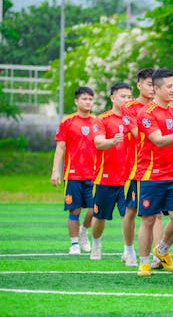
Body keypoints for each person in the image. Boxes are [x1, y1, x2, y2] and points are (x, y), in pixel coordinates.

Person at [135, 69, 173, 277]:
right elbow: (159, 140)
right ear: (156, 89)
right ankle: (144, 262)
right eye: (169, 87)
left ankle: (162, 250)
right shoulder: (146, 113)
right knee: (148, 219)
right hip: (150, 175)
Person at [51, 86, 98, 255]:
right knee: (75, 209)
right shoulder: (67, 121)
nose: (88, 102)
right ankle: (74, 244)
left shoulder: (97, 122)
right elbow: (60, 147)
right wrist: (55, 171)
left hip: (94, 174)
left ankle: (84, 231)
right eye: (84, 99)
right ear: (76, 101)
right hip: (73, 174)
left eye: (90, 99)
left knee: (94, 209)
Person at [90, 82, 133, 260]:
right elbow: (98, 142)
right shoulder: (102, 119)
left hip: (128, 178)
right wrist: (112, 141)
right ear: (113, 98)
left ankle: (128, 251)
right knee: (100, 216)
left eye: (130, 97)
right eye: (123, 96)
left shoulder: (134, 120)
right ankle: (96, 244)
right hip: (105, 177)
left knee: (128, 215)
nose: (127, 100)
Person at [120, 69, 158, 267]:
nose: (152, 88)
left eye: (155, 84)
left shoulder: (162, 107)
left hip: (159, 168)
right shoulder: (130, 108)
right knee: (132, 210)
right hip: (136, 168)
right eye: (149, 84)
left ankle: (158, 255)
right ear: (139, 85)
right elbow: (138, 134)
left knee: (156, 213)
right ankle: (129, 249)